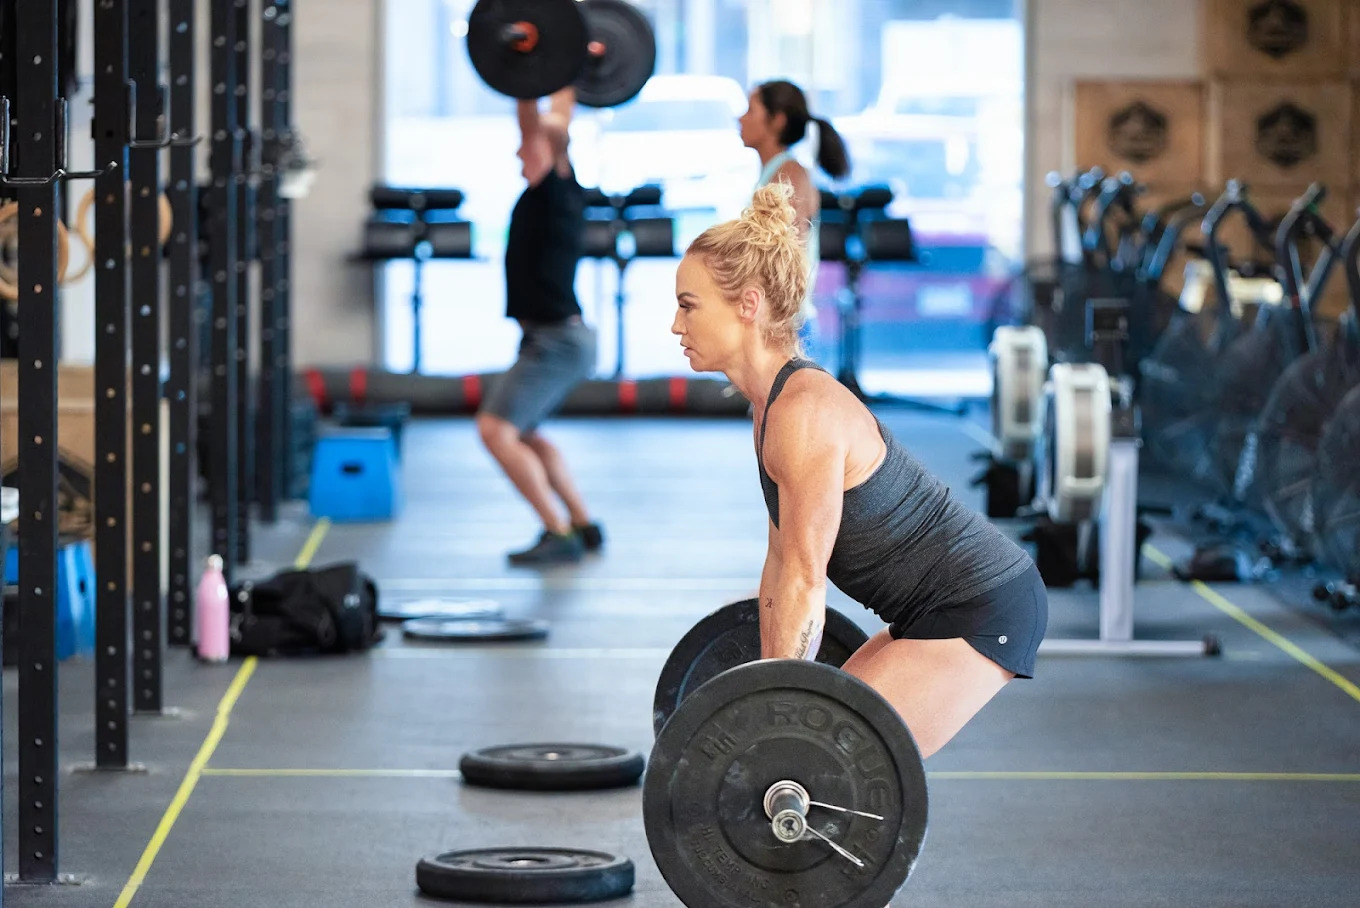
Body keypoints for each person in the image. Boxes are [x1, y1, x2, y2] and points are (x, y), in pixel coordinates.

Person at [671, 182, 1048, 759]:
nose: (676, 325)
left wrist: (776, 714)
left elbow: (804, 579)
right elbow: (781, 566)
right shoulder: (769, 408)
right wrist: (767, 690)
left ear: (747, 305)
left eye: (689, 305)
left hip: (981, 604)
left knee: (826, 765)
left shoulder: (803, 412)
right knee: (810, 753)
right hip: (924, 611)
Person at [477, 87, 603, 566]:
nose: (517, 150)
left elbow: (540, 124)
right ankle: (582, 523)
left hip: (557, 341)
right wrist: (561, 73)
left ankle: (557, 532)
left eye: (528, 145)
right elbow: (555, 116)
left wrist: (526, 74)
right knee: (526, 433)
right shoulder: (546, 193)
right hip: (551, 337)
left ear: (553, 154)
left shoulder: (558, 191)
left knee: (494, 430)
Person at [738, 80, 851, 350]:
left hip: (785, 325)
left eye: (751, 110)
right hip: (773, 320)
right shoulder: (775, 173)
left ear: (777, 121)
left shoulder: (789, 176)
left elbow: (782, 258)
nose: (741, 118)